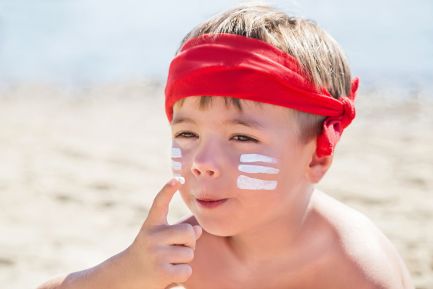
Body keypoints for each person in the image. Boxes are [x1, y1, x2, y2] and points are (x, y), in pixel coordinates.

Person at [39, 3, 413, 289]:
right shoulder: (188, 252)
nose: (202, 162)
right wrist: (127, 270)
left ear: (317, 155)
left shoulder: (356, 271)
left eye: (241, 137)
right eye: (187, 134)